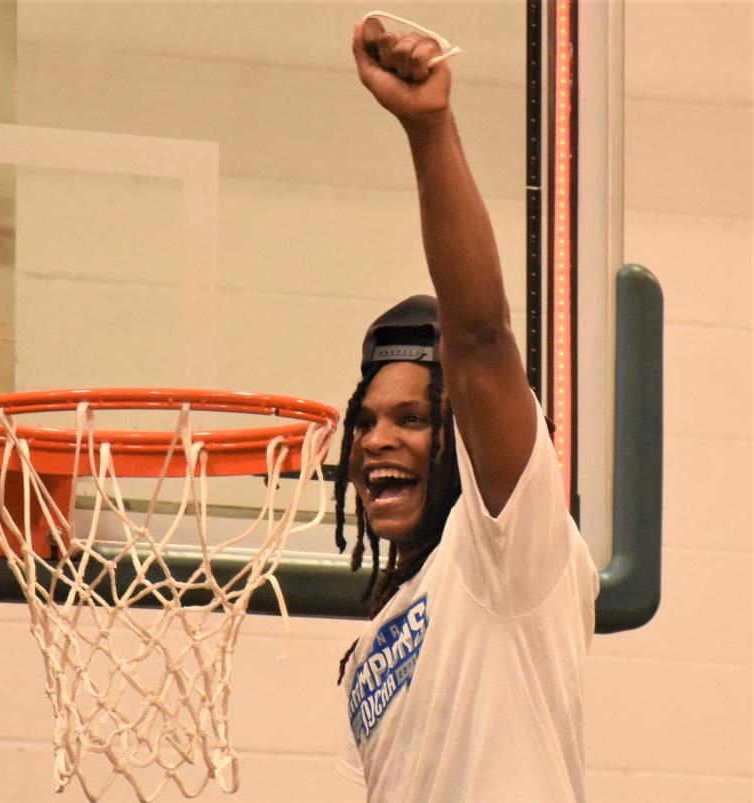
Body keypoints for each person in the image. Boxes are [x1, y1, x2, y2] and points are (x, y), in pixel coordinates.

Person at [333, 14, 599, 802]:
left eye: (412, 419)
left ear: (458, 437)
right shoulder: (371, 647)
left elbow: (480, 335)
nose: (377, 439)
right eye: (367, 419)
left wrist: (428, 130)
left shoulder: (504, 548)